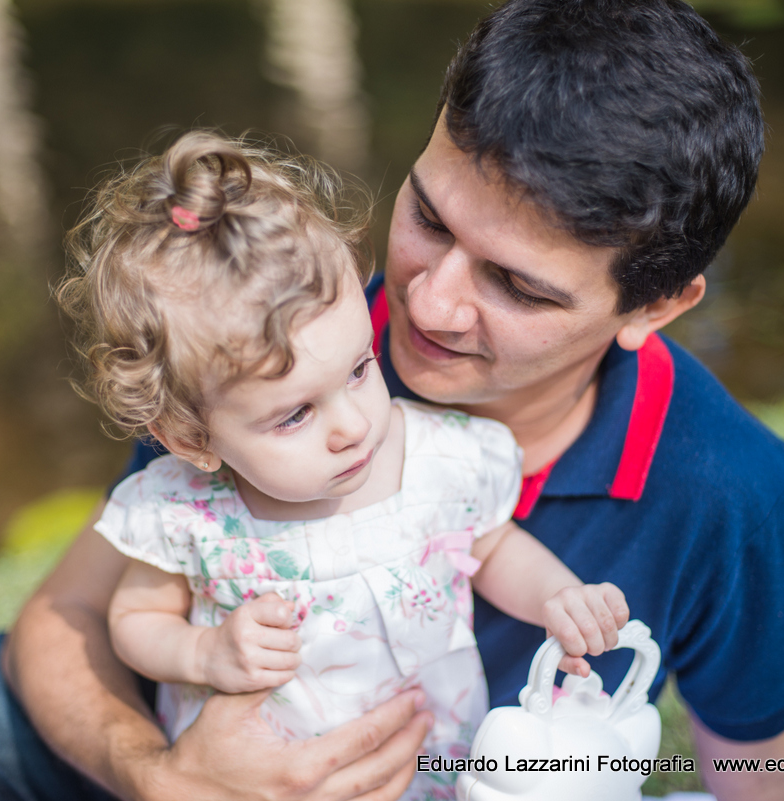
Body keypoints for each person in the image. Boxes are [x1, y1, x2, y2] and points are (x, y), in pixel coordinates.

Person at [0, 2, 784, 800]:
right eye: (429, 215)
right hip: (175, 743)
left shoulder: (727, 491)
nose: (430, 304)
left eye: (516, 285)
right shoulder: (284, 334)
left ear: (654, 304)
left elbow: (764, 751)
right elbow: (67, 616)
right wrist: (159, 776)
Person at [60, 130, 629, 800]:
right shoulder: (192, 513)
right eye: (295, 414)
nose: (353, 425)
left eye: (361, 369)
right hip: (258, 780)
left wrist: (559, 595)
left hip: (431, 766)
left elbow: (494, 545)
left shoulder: (440, 459)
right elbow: (134, 618)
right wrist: (202, 654)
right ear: (189, 435)